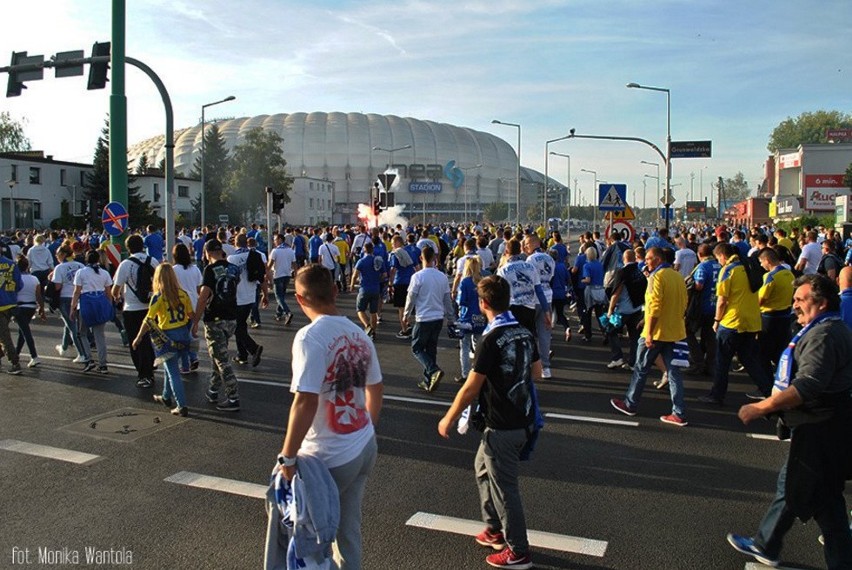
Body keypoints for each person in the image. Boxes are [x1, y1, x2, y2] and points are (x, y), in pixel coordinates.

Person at [728, 274, 852, 569]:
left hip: (821, 428)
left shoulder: (824, 335)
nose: (794, 305)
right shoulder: (824, 328)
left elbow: (808, 385)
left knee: (814, 496)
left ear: (821, 303)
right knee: (814, 494)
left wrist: (760, 407)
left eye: (801, 299)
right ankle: (767, 543)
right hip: (820, 428)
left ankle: (769, 544)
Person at [277, 264, 383, 570]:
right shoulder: (359, 334)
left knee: (311, 538)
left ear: (299, 298)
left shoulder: (309, 337)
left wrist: (288, 455)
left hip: (330, 456)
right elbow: (375, 387)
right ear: (335, 291)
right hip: (362, 446)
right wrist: (368, 428)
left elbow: (305, 401)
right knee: (348, 530)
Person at [438, 275, 541, 570]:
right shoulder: (522, 330)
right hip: (523, 416)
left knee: (505, 489)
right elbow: (537, 373)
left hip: (502, 424)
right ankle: (493, 528)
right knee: (482, 469)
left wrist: (449, 417)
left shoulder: (491, 339)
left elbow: (470, 387)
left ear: (483, 303)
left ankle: (518, 551)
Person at [611, 246, 689, 426]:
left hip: (656, 332)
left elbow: (654, 308)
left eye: (648, 258)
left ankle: (630, 404)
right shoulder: (677, 276)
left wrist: (649, 332)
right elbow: (683, 302)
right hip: (675, 330)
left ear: (658, 260)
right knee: (674, 372)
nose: (645, 261)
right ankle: (679, 412)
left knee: (641, 368)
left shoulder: (656, 277)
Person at [699, 243, 774, 405]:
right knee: (749, 360)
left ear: (722, 256)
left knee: (722, 362)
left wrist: (717, 320)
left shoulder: (728, 270)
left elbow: (722, 300)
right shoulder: (748, 267)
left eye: (718, 259)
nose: (718, 262)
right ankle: (769, 391)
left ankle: (717, 395)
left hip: (732, 322)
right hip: (751, 321)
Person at [133, 264, 194, 416]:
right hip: (183, 334)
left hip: (167, 335)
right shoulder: (183, 293)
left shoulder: (158, 296)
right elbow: (191, 315)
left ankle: (181, 406)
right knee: (169, 367)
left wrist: (138, 337)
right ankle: (166, 396)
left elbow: (149, 319)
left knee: (173, 371)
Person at [191, 239, 242, 412]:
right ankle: (213, 389)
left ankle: (233, 396)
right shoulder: (234, 268)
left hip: (215, 319)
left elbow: (204, 296)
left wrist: (195, 321)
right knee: (218, 354)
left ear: (208, 252)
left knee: (221, 360)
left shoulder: (210, 270)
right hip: (231, 318)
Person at [403, 245, 454, 392]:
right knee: (431, 349)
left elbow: (411, 297)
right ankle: (428, 379)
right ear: (435, 258)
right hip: (438, 317)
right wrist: (451, 317)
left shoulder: (417, 276)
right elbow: (447, 300)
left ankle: (433, 370)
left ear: (421, 258)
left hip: (423, 317)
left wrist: (406, 314)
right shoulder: (442, 276)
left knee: (417, 347)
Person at [112, 234, 159, 389]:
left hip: (132, 308)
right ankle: (151, 364)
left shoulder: (125, 264)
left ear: (128, 248)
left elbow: (115, 289)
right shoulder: (152, 261)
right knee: (148, 340)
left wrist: (118, 298)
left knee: (137, 342)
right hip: (152, 307)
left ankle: (144, 374)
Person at [70, 250, 114, 374]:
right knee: (99, 335)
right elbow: (108, 292)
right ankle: (103, 364)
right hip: (100, 302)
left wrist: (72, 307)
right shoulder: (104, 273)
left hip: (86, 303)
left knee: (82, 333)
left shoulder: (81, 272)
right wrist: (109, 306)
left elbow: (77, 292)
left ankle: (89, 359)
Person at [227, 233, 267, 367]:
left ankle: (253, 348)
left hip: (237, 297)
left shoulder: (231, 258)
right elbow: (262, 277)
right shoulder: (256, 256)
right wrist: (265, 295)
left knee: (236, 327)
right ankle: (241, 354)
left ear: (235, 243)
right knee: (241, 325)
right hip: (251, 296)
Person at [757, 248, 795, 379]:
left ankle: (766, 384)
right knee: (781, 351)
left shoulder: (770, 276)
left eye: (761, 262)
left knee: (763, 353)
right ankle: (786, 378)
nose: (761, 265)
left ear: (767, 260)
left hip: (769, 317)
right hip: (785, 316)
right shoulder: (789, 274)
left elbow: (760, 299)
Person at [604, 249, 645, 370]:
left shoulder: (622, 272)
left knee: (611, 330)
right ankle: (633, 362)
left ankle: (617, 357)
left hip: (623, 309)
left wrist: (610, 310)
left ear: (624, 258)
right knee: (634, 337)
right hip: (636, 308)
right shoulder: (639, 272)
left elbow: (616, 293)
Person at [172, 243, 203, 374]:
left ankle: (188, 361)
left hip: (179, 305)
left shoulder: (173, 270)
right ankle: (193, 357)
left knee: (183, 335)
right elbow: (198, 288)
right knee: (189, 332)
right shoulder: (195, 269)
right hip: (194, 303)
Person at [455, 256, 486, 383]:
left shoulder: (465, 282)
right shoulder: (483, 281)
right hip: (480, 316)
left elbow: (462, 301)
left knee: (465, 346)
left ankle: (465, 373)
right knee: (479, 346)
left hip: (467, 317)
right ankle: (479, 371)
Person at [14, 256, 45, 368]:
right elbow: (39, 296)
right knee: (22, 331)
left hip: (19, 306)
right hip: (31, 307)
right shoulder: (34, 279)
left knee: (25, 332)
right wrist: (41, 309)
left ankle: (34, 356)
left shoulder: (16, 279)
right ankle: (16, 354)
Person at [351, 241, 384, 339]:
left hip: (364, 288)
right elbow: (384, 274)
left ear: (364, 250)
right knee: (373, 312)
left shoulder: (361, 261)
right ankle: (373, 332)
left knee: (360, 309)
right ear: (372, 250)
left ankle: (367, 326)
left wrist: (352, 285)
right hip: (376, 288)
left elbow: (355, 274)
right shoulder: (377, 261)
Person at [0, 248, 23, 375]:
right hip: (10, 302)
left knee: (4, 336)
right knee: (2, 333)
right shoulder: (12, 264)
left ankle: (15, 362)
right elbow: (19, 285)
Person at [268, 232, 296, 325]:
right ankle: (278, 313)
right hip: (287, 275)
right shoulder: (290, 250)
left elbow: (270, 264)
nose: (274, 241)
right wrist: (296, 275)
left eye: (275, 240)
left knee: (278, 296)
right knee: (282, 295)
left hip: (278, 275)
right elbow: (294, 264)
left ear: (280, 240)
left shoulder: (275, 251)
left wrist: (266, 273)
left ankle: (287, 312)